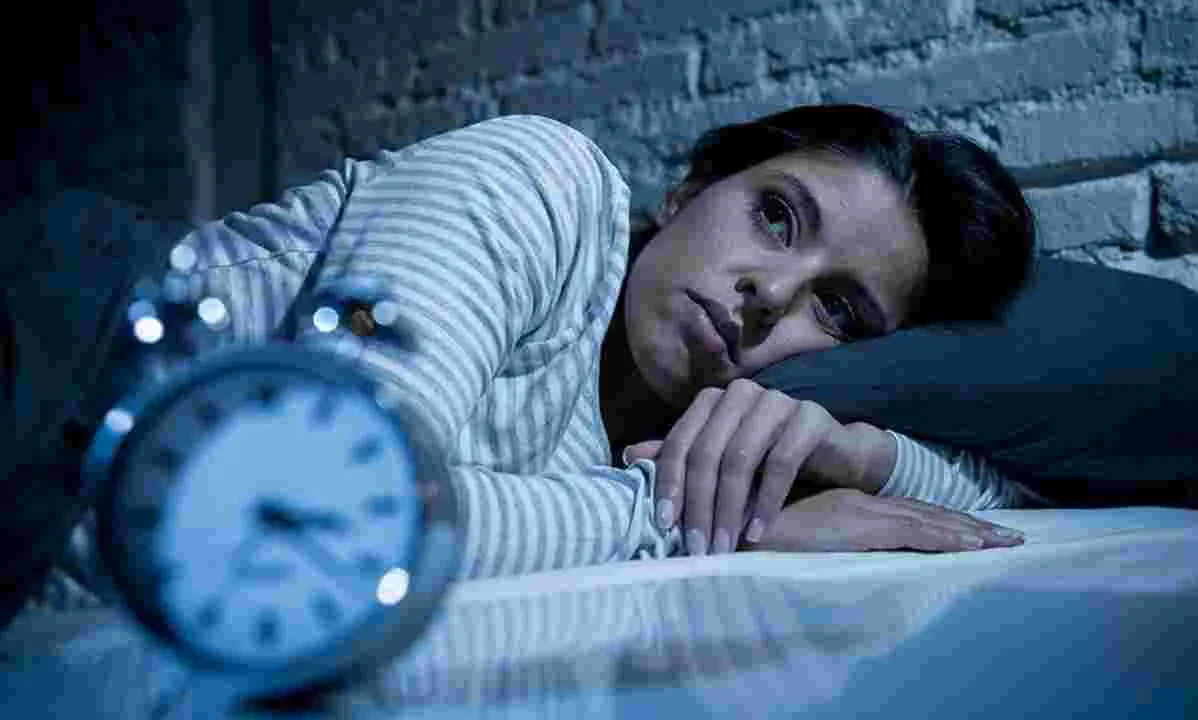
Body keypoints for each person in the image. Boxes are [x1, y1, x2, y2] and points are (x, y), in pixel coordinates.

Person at [9, 105, 1036, 618]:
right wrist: (701, 529)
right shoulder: (547, 185)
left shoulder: (701, 442)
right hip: (66, 342)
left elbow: (1006, 498)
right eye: (775, 216)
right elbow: (328, 508)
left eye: (837, 309)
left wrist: (853, 454)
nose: (769, 292)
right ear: (688, 192)